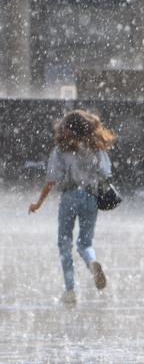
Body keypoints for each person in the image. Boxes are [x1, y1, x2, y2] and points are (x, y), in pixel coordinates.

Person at [28, 110, 116, 305]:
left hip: (69, 197)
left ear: (66, 128)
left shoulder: (61, 150)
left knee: (64, 245)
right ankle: (92, 263)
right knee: (85, 243)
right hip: (90, 198)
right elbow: (106, 173)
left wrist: (38, 203)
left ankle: (70, 291)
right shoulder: (97, 148)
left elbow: (51, 180)